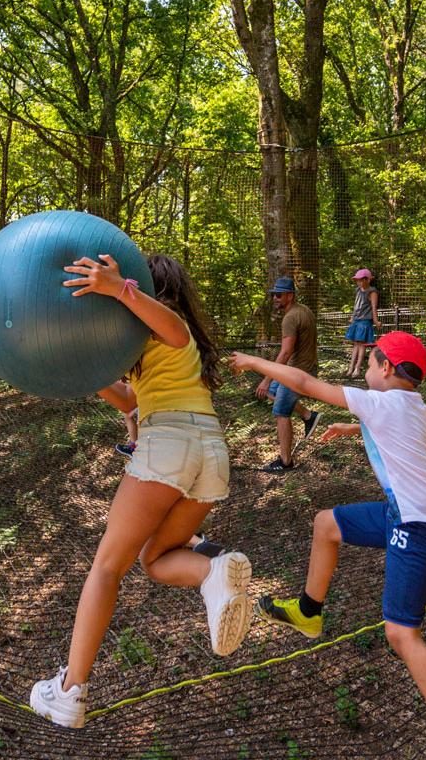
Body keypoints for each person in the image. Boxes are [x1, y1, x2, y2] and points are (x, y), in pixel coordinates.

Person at [233, 331, 426, 760]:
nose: (367, 370)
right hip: (407, 514)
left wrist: (254, 362)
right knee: (327, 524)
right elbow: (395, 431)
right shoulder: (415, 406)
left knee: (402, 635)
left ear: (387, 368)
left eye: (372, 363)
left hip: (416, 526)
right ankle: (308, 612)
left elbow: (304, 383)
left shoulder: (381, 402)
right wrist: (353, 428)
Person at [30, 253, 253, 728]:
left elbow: (169, 326)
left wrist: (118, 288)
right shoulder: (155, 347)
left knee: (107, 567)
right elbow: (130, 400)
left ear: (148, 287)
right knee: (155, 559)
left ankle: (69, 690)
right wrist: (87, 377)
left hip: (170, 443)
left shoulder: (166, 324)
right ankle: (212, 572)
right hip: (210, 454)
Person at [257, 276, 320, 473]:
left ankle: (286, 462)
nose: (274, 298)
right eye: (273, 295)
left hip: (296, 372)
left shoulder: (290, 318)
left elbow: (285, 352)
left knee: (281, 413)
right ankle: (308, 415)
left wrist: (266, 378)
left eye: (278, 295)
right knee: (272, 391)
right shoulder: (304, 310)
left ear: (290, 296)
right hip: (303, 367)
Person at [343, 268, 381, 377]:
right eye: (357, 280)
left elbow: (374, 307)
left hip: (365, 321)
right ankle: (351, 368)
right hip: (357, 320)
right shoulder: (358, 290)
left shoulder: (372, 292)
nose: (358, 282)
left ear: (367, 280)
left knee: (362, 344)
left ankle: (357, 368)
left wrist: (375, 320)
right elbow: (356, 305)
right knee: (356, 344)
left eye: (360, 280)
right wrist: (352, 317)